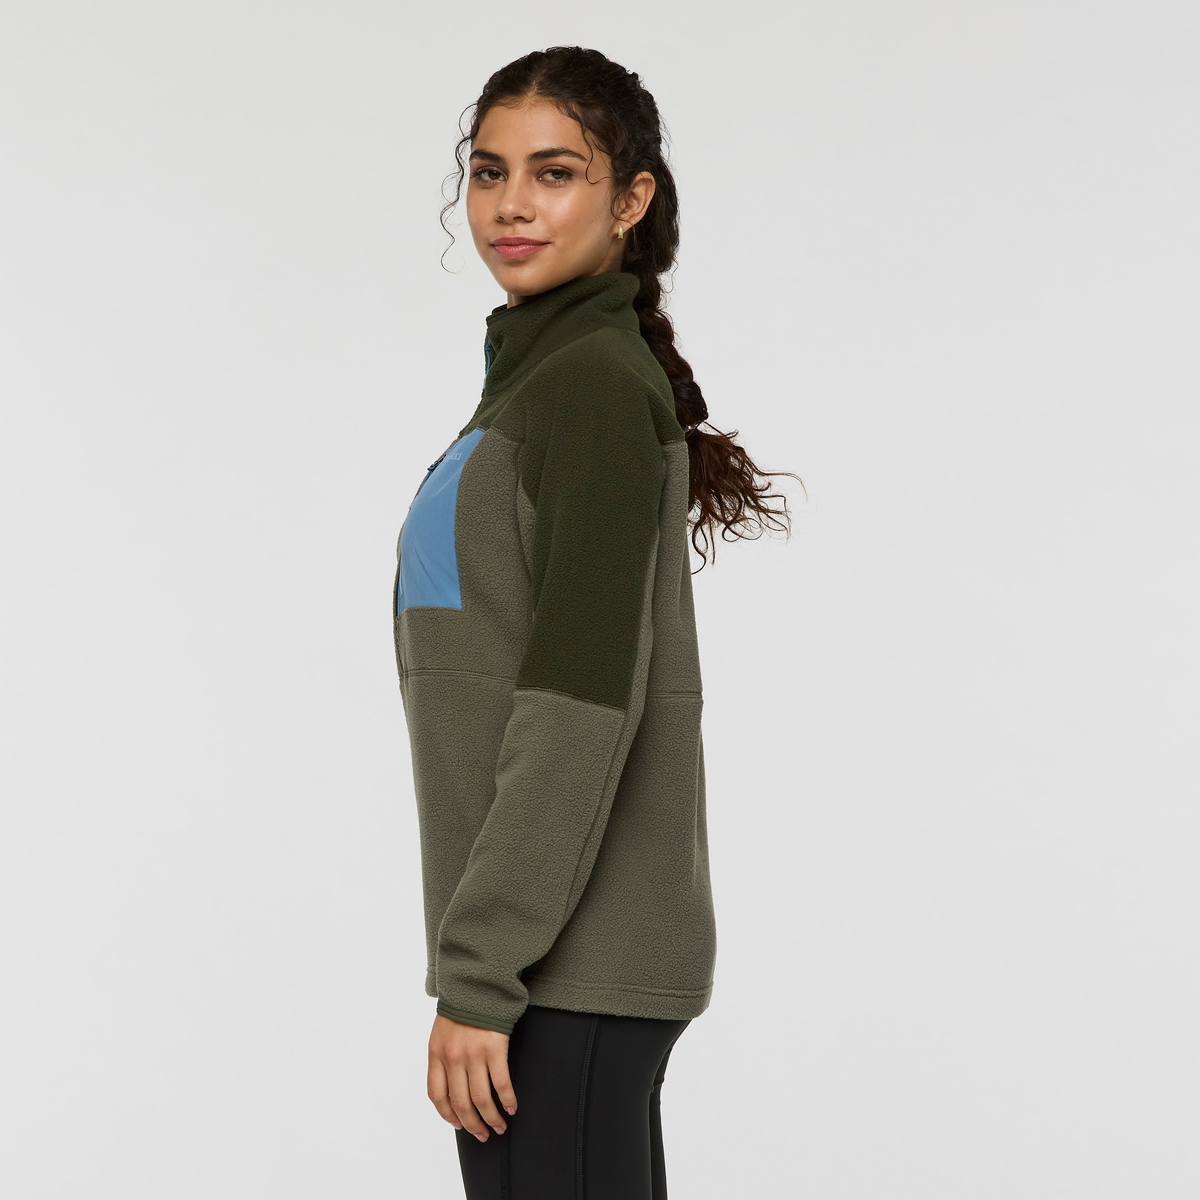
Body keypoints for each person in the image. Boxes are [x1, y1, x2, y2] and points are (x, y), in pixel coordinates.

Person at [393, 46, 795, 1200]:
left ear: (630, 200)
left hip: (562, 968)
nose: (512, 203)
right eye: (490, 171)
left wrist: (480, 977)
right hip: (550, 964)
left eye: (555, 172)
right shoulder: (542, 382)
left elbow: (577, 708)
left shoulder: (591, 391)